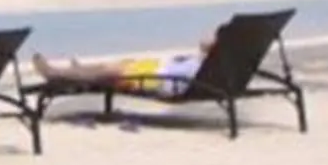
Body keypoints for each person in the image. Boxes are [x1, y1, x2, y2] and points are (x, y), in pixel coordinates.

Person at [31, 35, 210, 96]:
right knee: (117, 65)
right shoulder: (217, 63)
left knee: (110, 71)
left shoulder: (208, 61)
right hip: (161, 73)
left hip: (160, 80)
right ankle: (77, 71)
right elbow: (204, 45)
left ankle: (55, 74)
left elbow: (204, 43)